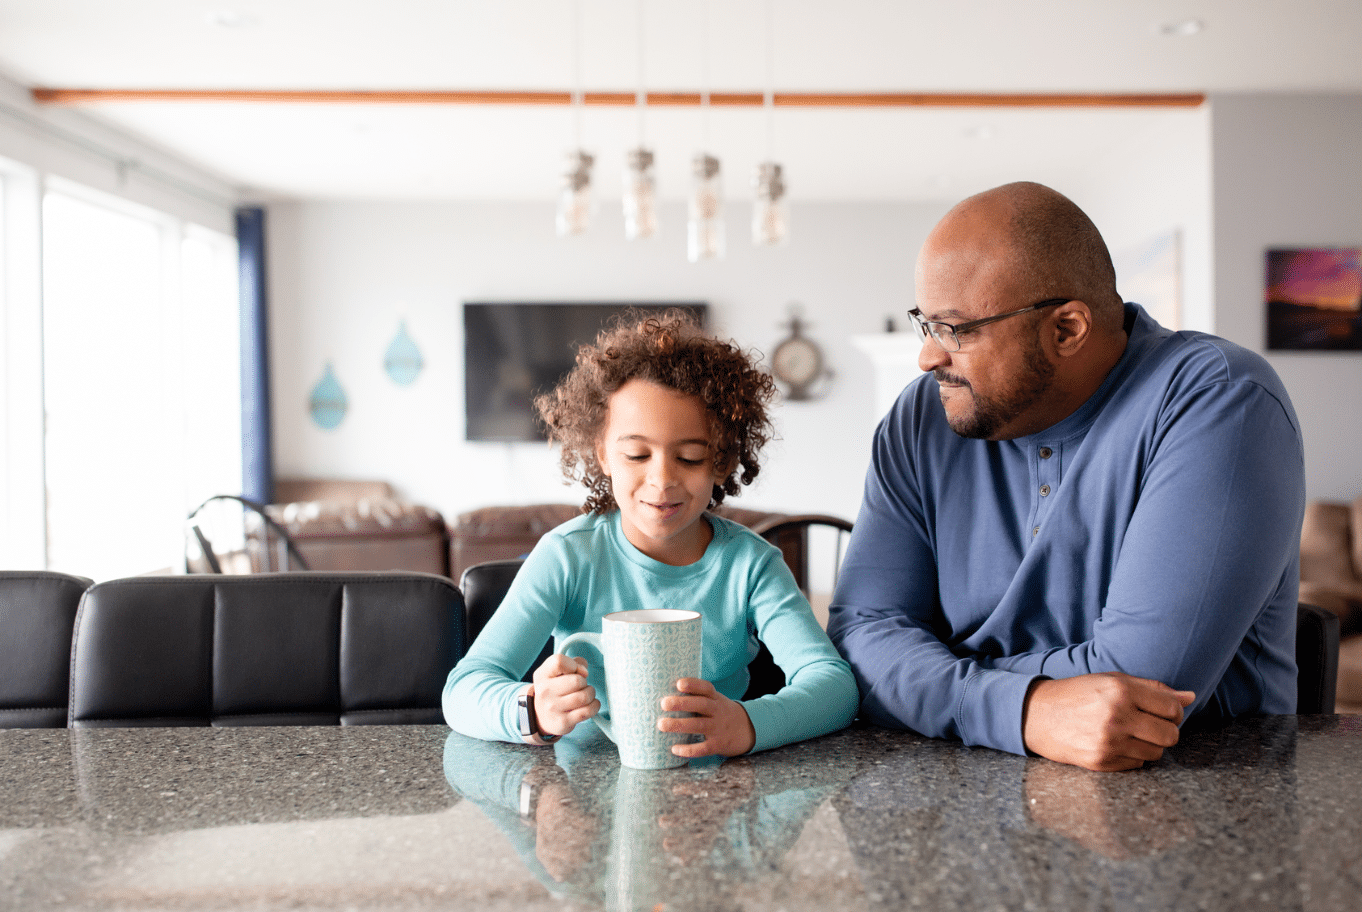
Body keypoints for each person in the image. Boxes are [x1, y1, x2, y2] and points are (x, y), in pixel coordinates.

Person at [827, 182, 1306, 772]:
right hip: (964, 789)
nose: (928, 357)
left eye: (957, 330)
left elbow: (1137, 690)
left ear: (1066, 330)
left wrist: (928, 675)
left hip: (1195, 798)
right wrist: (1024, 709)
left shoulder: (1220, 401)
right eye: (925, 324)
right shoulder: (919, 418)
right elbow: (860, 635)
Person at [444, 310, 858, 759]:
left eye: (691, 457)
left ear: (722, 461)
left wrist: (749, 724)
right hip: (584, 797)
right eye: (637, 454)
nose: (662, 480)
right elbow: (463, 690)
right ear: (602, 454)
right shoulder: (567, 556)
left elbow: (834, 686)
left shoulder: (750, 565)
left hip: (716, 795)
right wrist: (531, 711)